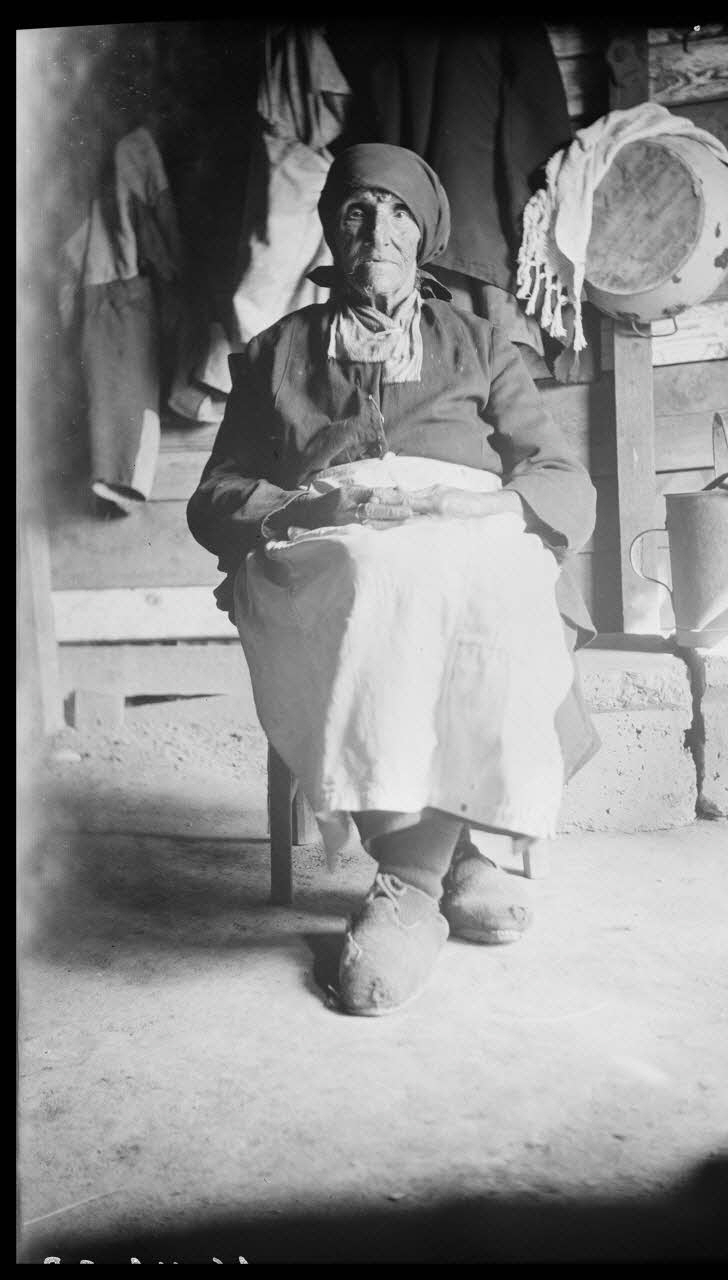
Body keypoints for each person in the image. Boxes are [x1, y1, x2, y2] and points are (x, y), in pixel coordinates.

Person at [187, 143, 599, 1017]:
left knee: (481, 579)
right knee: (376, 573)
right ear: (332, 233)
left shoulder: (483, 343)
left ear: (426, 235)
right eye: (357, 213)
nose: (379, 230)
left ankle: (411, 881)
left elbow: (562, 478)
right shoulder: (274, 354)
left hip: (465, 531)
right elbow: (214, 497)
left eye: (399, 213)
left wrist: (496, 510)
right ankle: (450, 865)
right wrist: (297, 509)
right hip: (329, 541)